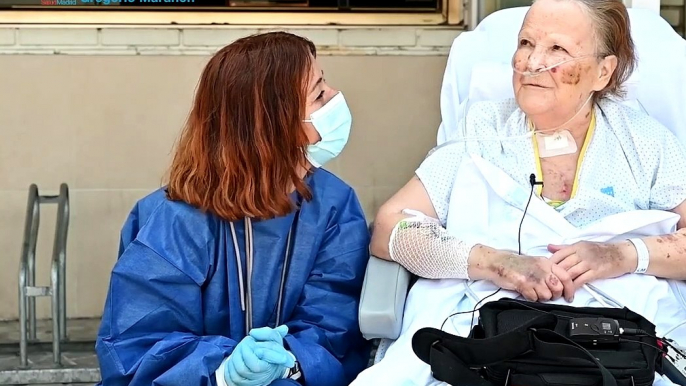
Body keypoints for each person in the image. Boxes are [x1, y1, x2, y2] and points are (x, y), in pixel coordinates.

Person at [352, 0, 686, 384]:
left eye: (557, 49)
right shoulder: (483, 129)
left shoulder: (644, 142)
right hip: (493, 333)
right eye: (526, 43)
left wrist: (621, 254)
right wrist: (499, 263)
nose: (530, 62)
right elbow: (391, 228)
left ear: (603, 72)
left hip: (617, 342)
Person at [95, 32, 371, 386]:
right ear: (272, 124)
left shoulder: (334, 205)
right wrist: (224, 371)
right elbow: (137, 343)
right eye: (318, 94)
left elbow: (336, 323)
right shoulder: (172, 219)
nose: (334, 97)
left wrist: (289, 361)